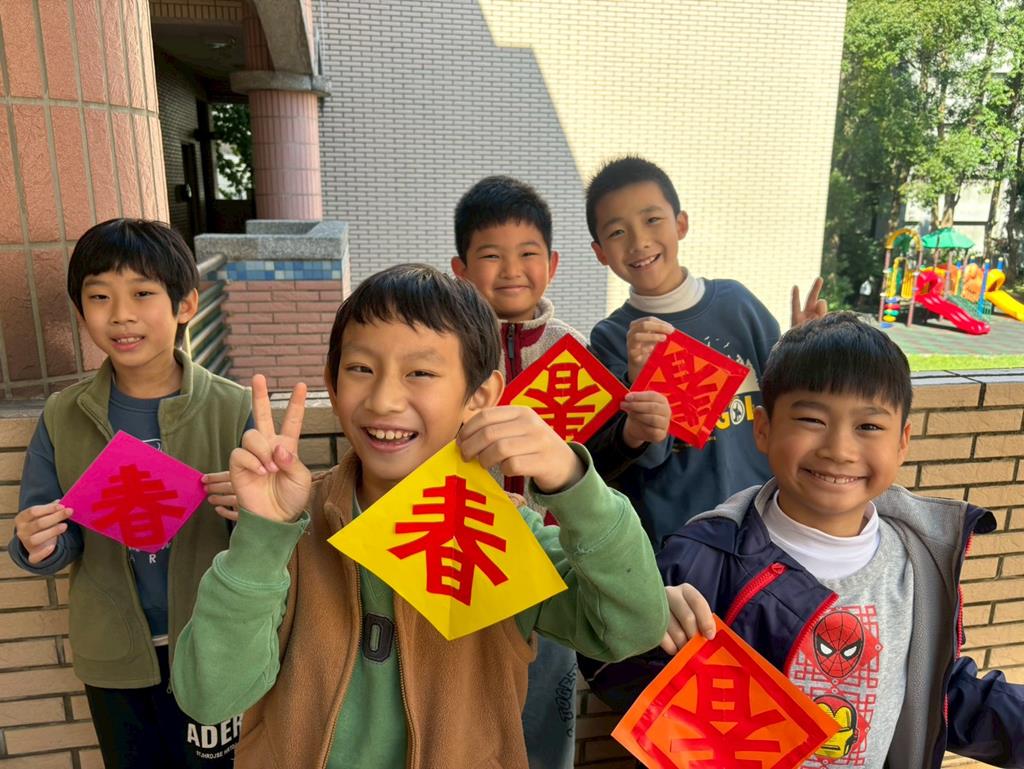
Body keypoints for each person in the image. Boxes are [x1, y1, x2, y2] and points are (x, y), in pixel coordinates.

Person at [170, 264, 669, 769]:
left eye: (421, 373)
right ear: (332, 384)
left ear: (480, 396)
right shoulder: (292, 529)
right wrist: (261, 537)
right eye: (360, 368)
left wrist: (574, 485)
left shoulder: (505, 535)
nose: (384, 400)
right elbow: (209, 697)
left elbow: (631, 628)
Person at [589, 312, 1024, 769]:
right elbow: (608, 667)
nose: (839, 449)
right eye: (812, 419)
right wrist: (646, 626)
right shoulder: (706, 556)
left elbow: (941, 689)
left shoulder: (920, 562)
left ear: (902, 442)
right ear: (763, 429)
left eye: (868, 426)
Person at [8, 219, 251, 768]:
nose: (120, 315)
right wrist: (38, 543)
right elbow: (51, 531)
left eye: (142, 294)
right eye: (100, 297)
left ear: (185, 305)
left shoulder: (232, 407)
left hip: (212, 645)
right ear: (81, 312)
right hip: (114, 652)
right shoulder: (64, 415)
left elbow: (269, 539)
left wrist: (255, 513)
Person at [585, 155, 825, 548]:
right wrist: (640, 382)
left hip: (764, 526)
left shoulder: (738, 304)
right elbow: (637, 458)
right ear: (600, 253)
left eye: (652, 220)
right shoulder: (612, 338)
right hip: (677, 543)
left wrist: (806, 347)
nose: (639, 242)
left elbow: (789, 400)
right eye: (617, 232)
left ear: (681, 224)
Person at [451, 174, 591, 768]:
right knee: (460, 708)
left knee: (545, 711)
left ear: (553, 264)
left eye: (528, 253)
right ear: (460, 270)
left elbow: (592, 461)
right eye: (491, 255)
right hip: (464, 556)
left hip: (548, 562)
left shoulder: (573, 351)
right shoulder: (445, 348)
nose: (511, 269)